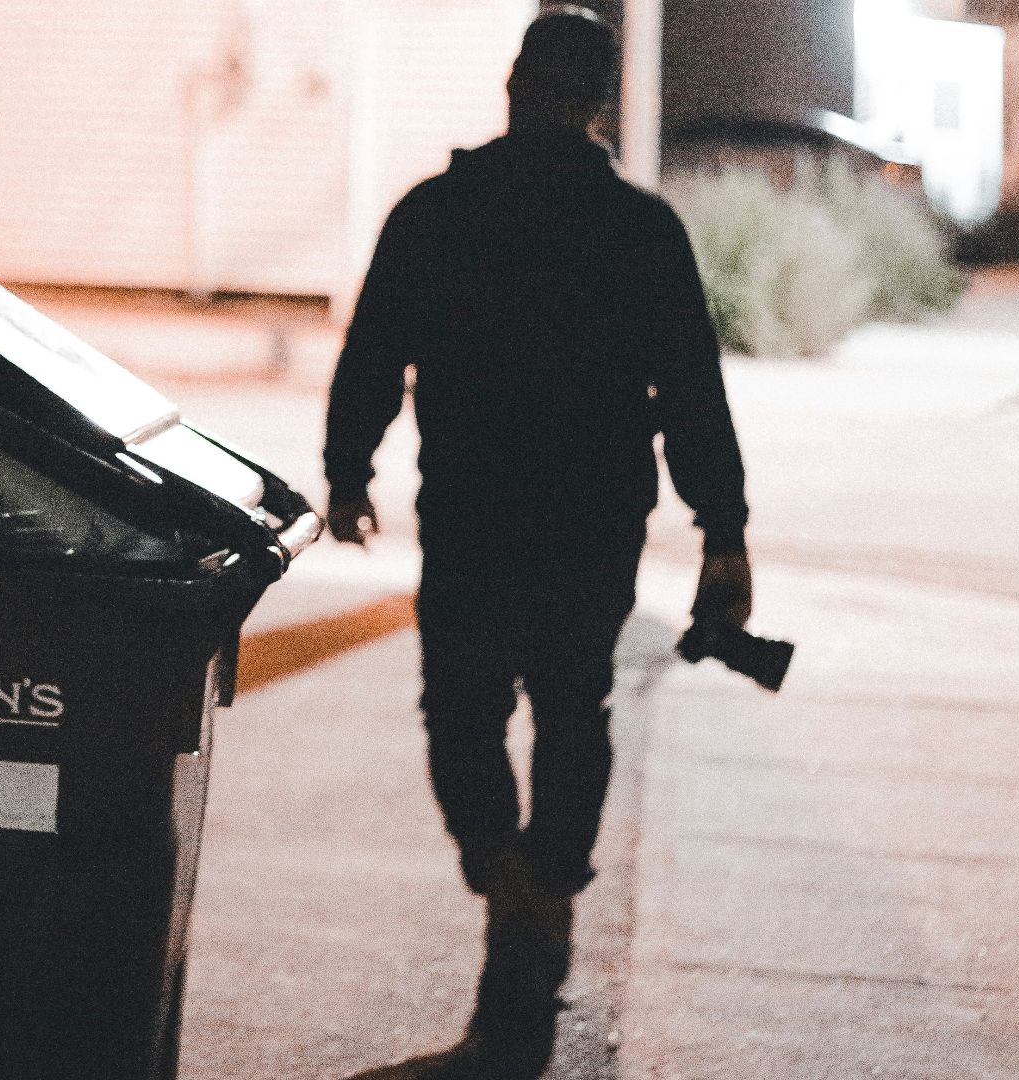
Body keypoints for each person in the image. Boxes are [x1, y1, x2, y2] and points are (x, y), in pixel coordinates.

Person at [322, 7, 753, 1075]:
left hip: (471, 514)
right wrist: (723, 531)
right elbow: (693, 392)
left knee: (460, 714)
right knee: (573, 707)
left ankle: (508, 883)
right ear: (598, 101)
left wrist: (348, 473)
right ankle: (544, 896)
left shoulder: (436, 214)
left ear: (514, 83)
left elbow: (375, 352)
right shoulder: (641, 231)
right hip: (593, 524)